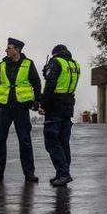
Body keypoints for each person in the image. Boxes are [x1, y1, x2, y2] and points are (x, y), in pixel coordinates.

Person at [0, 37, 42, 182]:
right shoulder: (3, 64)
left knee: (24, 141)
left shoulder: (28, 64)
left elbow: (36, 83)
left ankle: (29, 174)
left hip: (21, 108)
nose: (6, 50)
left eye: (9, 48)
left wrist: (36, 101)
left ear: (16, 50)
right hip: (4, 107)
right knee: (0, 140)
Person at [40, 44, 80, 187]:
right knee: (64, 142)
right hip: (68, 106)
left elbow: (51, 84)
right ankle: (62, 173)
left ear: (55, 54)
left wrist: (42, 104)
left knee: (51, 140)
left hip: (55, 106)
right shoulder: (75, 65)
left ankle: (64, 174)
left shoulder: (56, 62)